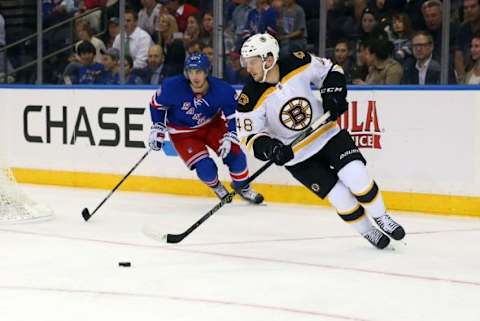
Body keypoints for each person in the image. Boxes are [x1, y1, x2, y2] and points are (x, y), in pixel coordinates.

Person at [236, 33, 405, 249]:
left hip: (327, 134)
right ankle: (368, 231)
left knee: (356, 175)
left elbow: (331, 71)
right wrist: (272, 149)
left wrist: (333, 96)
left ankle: (381, 217)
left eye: (252, 63)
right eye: (246, 63)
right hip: (297, 156)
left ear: (268, 59)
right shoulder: (248, 99)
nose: (248, 69)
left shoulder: (299, 62)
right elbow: (248, 138)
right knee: (340, 196)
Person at [148, 53, 264, 204]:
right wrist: (158, 126)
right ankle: (217, 187)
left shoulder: (222, 90)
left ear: (206, 72)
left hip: (212, 125)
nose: (195, 76)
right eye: (191, 72)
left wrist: (232, 135)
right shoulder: (172, 87)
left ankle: (243, 187)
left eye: (199, 72)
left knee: (236, 155)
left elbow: (234, 114)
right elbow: (156, 105)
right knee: (205, 168)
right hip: (183, 133)